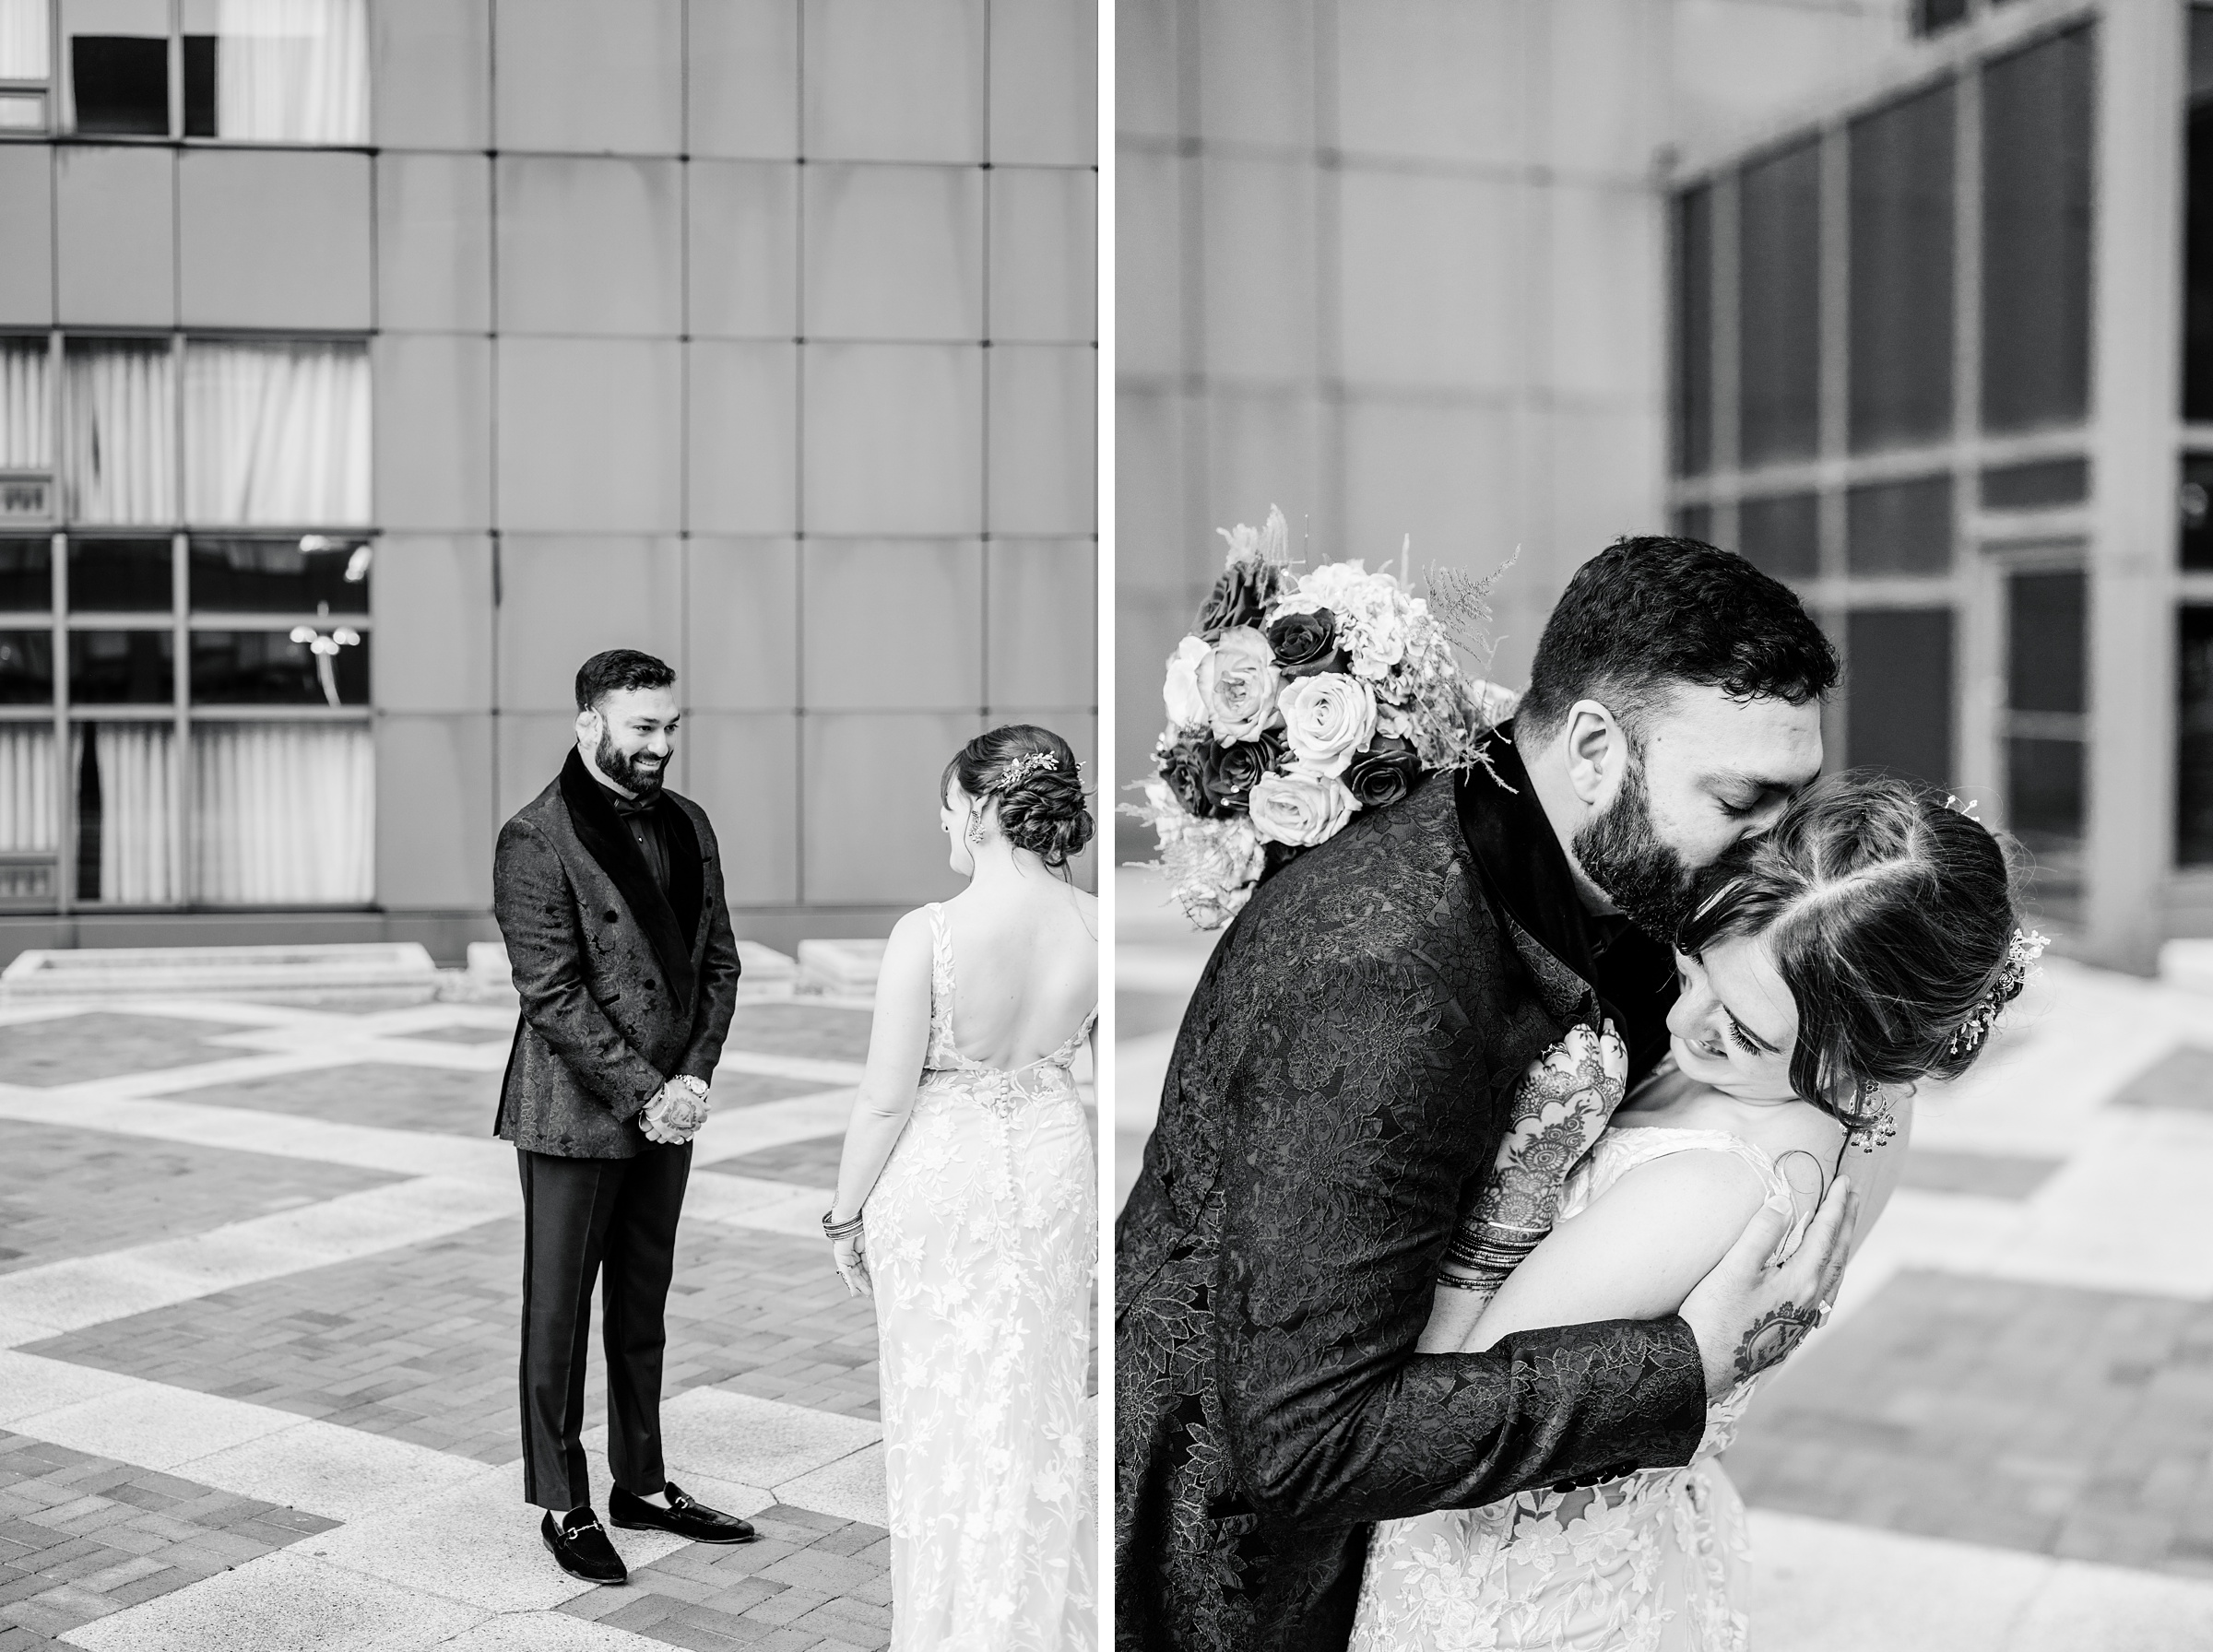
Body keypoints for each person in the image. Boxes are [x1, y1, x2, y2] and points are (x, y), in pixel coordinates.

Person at [1117, 538, 1872, 1652]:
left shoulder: (1619, 874)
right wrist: (1683, 1368)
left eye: (1795, 801)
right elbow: (1307, 1441)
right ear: (1597, 747)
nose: (1776, 851)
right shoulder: (1383, 972)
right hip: (1248, 1576)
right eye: (1743, 801)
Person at [1350, 774, 2035, 1648]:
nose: (1685, 1018)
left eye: (1744, 1031)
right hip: (1631, 1545)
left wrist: (1520, 1183)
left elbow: (1441, 1422)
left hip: (1507, 1595)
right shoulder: (1868, 1102)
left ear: (1870, 1051)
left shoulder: (1710, 1187)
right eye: (1691, 967)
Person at [825, 724, 1100, 1650]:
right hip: (1054, 1163)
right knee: (1039, 1401)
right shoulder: (1095, 922)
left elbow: (883, 1096)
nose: (942, 821)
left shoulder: (928, 933)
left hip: (944, 1177)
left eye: (949, 804)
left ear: (981, 810)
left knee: (946, 1416)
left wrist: (842, 1210)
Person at [493, 647, 755, 1587]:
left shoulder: (690, 823)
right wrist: (650, 1092)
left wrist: (693, 1079)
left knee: (641, 1305)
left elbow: (717, 962)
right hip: (572, 1113)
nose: (661, 744)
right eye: (643, 726)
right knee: (558, 1313)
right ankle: (563, 1500)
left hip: (668, 1110)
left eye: (670, 727)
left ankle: (640, 1481)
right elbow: (552, 994)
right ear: (588, 723)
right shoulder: (536, 836)